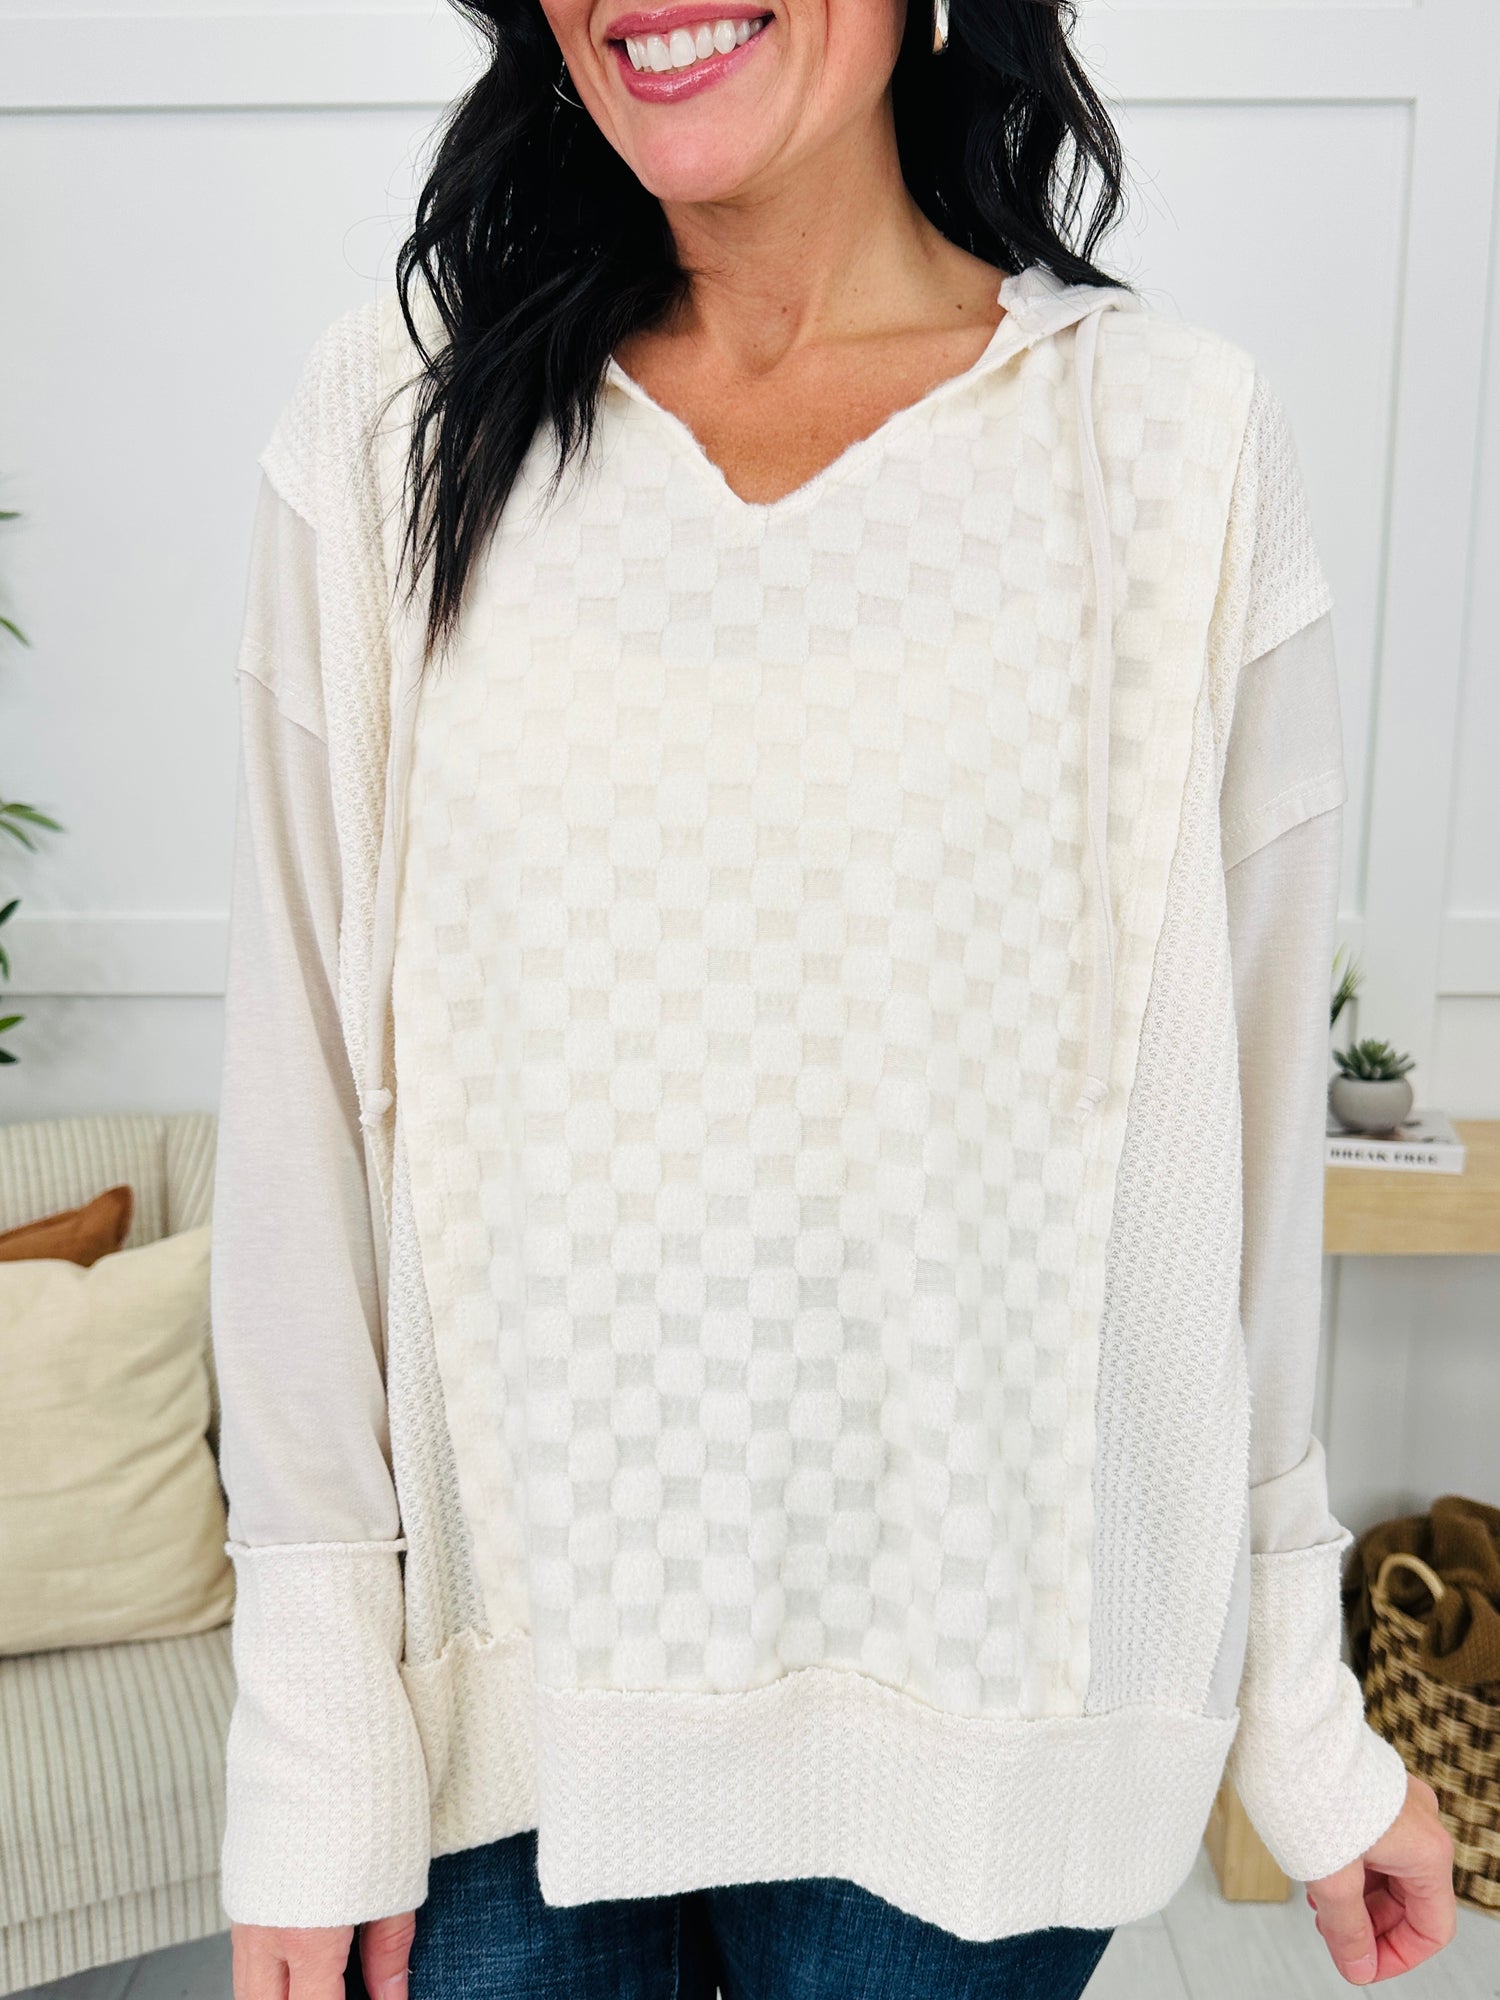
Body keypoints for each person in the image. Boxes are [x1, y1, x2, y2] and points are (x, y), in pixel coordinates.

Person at [210, 0, 1459, 1993]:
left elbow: (1231, 1168)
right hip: (492, 1736)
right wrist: (310, 1723)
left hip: (986, 1722)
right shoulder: (394, 424)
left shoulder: (1173, 447)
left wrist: (1302, 1717)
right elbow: (299, 1099)